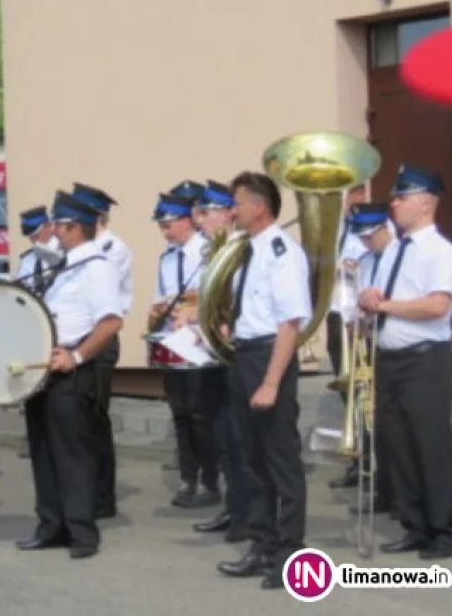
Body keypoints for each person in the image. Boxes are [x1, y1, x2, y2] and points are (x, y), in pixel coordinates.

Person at [215, 172, 311, 590]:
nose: (231, 211)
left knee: (280, 462)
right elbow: (252, 310)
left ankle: (289, 554)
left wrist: (271, 382)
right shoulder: (247, 251)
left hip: (270, 357)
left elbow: (289, 322)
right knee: (251, 459)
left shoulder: (281, 252)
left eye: (236, 203)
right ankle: (261, 544)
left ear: (259, 206)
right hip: (246, 355)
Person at [360, 164, 452, 559]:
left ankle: (448, 530)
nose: (395, 203)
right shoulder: (394, 250)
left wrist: (384, 304)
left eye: (402, 197)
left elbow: (438, 305)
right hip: (391, 359)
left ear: (424, 203)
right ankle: (415, 525)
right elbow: (383, 296)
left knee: (431, 446)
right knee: (398, 446)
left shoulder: (441, 251)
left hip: (424, 362)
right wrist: (370, 299)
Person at [15, 192, 122, 557]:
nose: (54, 231)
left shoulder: (96, 266)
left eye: (59, 225)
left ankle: (82, 532)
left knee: (72, 454)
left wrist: (76, 355)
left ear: (76, 227)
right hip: (44, 369)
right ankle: (51, 526)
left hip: (71, 371)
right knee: (43, 450)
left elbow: (111, 321)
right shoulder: (62, 264)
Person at [149, 192, 220, 509]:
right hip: (172, 341)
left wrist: (191, 311)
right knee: (180, 414)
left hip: (198, 342)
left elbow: (215, 296)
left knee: (201, 414)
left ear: (185, 220)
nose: (165, 232)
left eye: (168, 225)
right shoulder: (166, 257)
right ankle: (188, 477)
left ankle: (210, 480)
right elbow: (159, 296)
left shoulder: (208, 252)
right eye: (161, 226)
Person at [189, 180, 251, 541]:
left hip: (235, 355)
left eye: (207, 213)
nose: (201, 221)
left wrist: (222, 324)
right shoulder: (214, 251)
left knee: (238, 440)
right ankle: (233, 509)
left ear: (227, 214)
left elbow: (238, 302)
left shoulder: (239, 251)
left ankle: (245, 514)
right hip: (215, 354)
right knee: (224, 438)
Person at [70, 182, 129, 519]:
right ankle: (86, 490)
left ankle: (103, 495)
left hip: (100, 340)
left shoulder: (111, 250)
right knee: (80, 422)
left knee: (95, 418)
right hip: (78, 339)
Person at [341, 201, 396, 515]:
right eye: (360, 236)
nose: (364, 241)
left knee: (392, 426)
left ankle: (400, 493)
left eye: (369, 235)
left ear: (384, 227)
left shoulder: (397, 257)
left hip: (391, 344)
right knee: (372, 422)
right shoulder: (363, 261)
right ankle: (382, 489)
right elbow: (352, 306)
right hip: (368, 343)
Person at [326, 184, 369, 489]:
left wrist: (355, 267)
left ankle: (370, 460)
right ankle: (357, 458)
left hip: (359, 318)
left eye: (359, 192)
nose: (354, 200)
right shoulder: (335, 229)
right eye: (350, 193)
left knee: (363, 391)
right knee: (347, 392)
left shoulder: (375, 229)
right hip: (335, 314)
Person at [14, 204, 60, 460]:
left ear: (48, 227)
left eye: (36, 233)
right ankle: (35, 437)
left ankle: (52, 437)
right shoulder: (27, 260)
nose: (33, 239)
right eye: (29, 236)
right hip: (32, 327)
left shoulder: (61, 254)